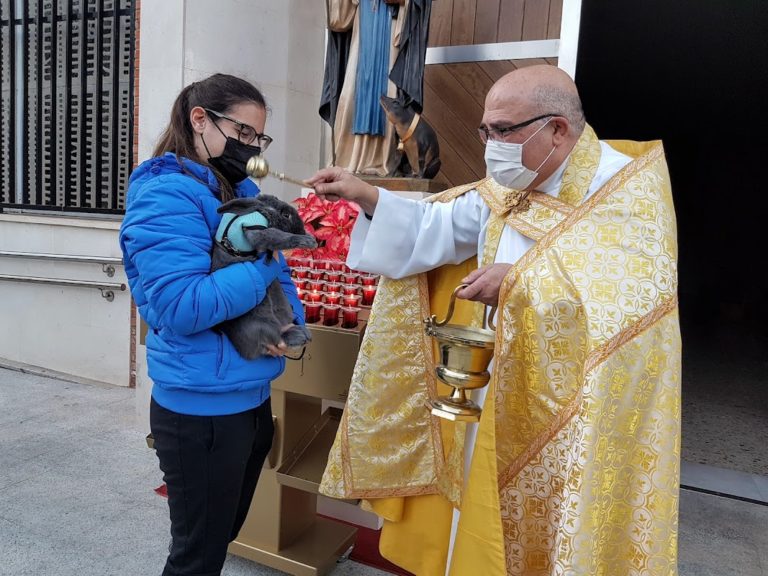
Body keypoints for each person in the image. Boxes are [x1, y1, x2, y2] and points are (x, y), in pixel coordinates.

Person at [308, 65, 681, 575]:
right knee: (476, 521)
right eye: (486, 130)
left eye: (504, 131)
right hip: (490, 390)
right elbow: (438, 225)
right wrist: (366, 194)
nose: (491, 146)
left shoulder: (625, 189)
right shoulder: (515, 181)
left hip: (566, 410)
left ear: (558, 130)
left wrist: (521, 279)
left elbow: (636, 297)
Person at [119, 74, 304, 576]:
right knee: (196, 558)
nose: (250, 148)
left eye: (258, 140)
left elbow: (281, 276)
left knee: (220, 541)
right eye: (243, 133)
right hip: (200, 414)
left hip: (251, 402)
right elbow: (181, 306)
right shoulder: (165, 196)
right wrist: (264, 265)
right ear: (199, 119)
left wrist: (288, 328)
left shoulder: (240, 190)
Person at [320, 0, 432, 176]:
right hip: (362, 27)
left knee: (389, 93)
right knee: (352, 93)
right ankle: (347, 159)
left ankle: (384, 161)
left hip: (391, 28)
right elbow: (339, 20)